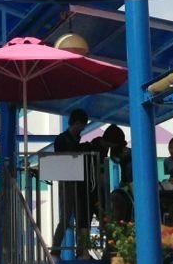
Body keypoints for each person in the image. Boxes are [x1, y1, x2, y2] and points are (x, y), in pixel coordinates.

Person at [51, 108, 92, 256]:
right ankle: (56, 249)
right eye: (82, 124)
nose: (83, 128)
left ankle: (80, 249)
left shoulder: (70, 138)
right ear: (77, 123)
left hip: (77, 181)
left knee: (80, 217)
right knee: (67, 216)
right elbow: (61, 159)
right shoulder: (63, 139)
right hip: (68, 181)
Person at [97, 124, 133, 224]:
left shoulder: (125, 153)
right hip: (127, 182)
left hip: (128, 182)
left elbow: (116, 159)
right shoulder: (126, 152)